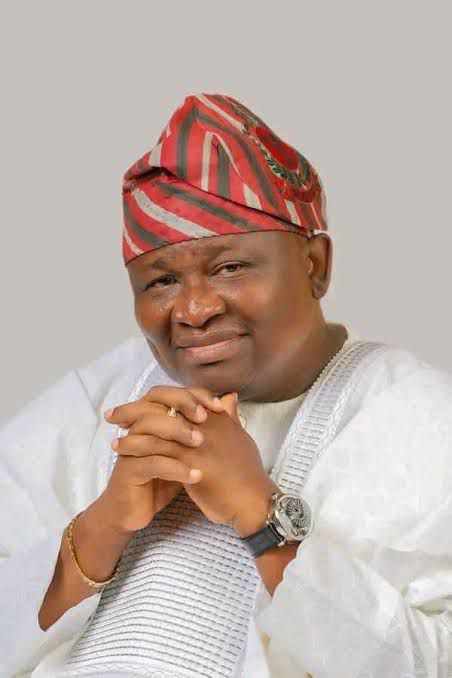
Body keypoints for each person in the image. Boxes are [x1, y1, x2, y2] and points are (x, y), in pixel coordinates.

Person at [1, 93, 451, 678]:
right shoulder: (99, 402)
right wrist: (102, 526)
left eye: (230, 267)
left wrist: (261, 514)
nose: (193, 310)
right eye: (160, 281)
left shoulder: (422, 422)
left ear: (315, 265)